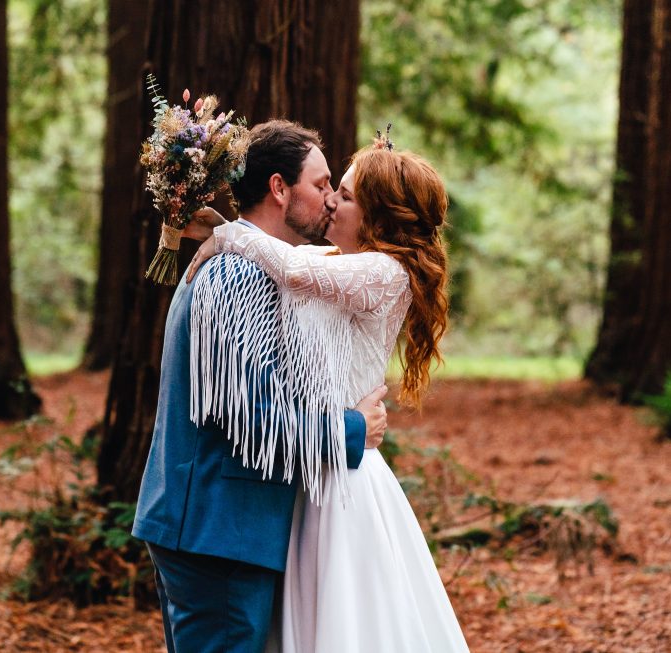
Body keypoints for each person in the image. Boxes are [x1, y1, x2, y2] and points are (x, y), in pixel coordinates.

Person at [187, 139, 471, 652]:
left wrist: (226, 233)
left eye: (344, 194)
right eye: (330, 189)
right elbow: (290, 259)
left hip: (343, 484)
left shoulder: (384, 273)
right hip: (307, 467)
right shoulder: (337, 261)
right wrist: (228, 234)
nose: (332, 203)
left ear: (377, 216)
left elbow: (292, 269)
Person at [131, 120, 390, 653]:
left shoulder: (249, 263)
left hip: (219, 526)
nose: (330, 201)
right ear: (278, 188)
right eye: (320, 186)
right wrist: (353, 428)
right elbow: (248, 412)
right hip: (218, 528)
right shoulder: (238, 277)